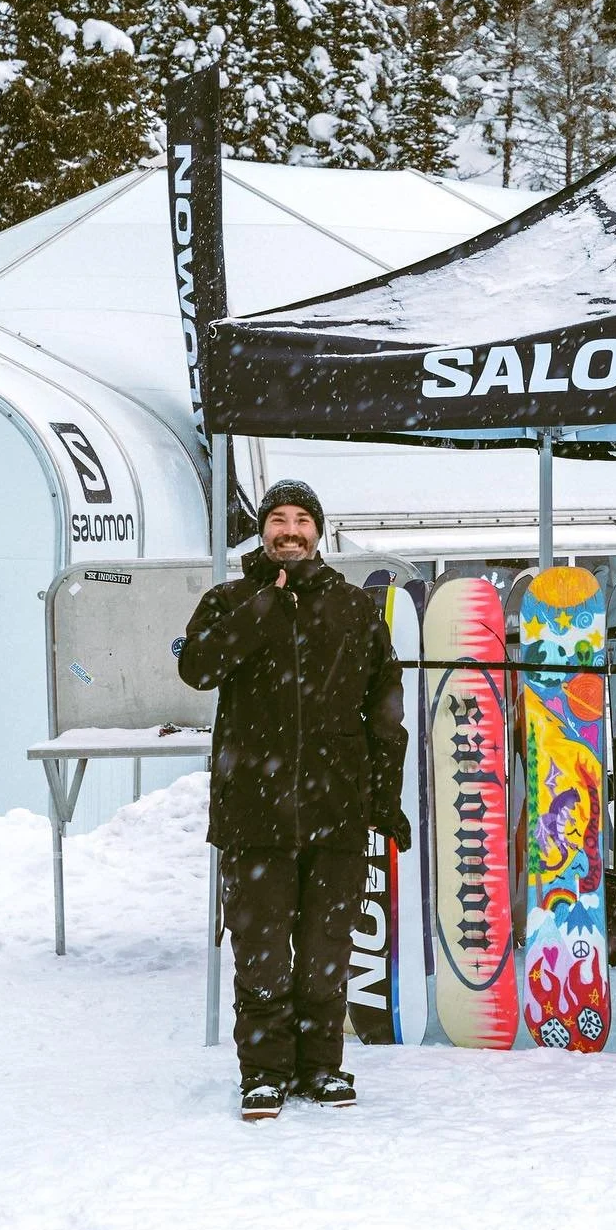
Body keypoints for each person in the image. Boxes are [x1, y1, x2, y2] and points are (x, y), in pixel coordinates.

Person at [177, 480, 409, 1121]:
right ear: (262, 530)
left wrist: (383, 801)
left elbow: (384, 713)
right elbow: (196, 670)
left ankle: (321, 1065)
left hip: (335, 810)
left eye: (301, 519)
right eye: (277, 519)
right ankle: (264, 1072)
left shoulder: (354, 610)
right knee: (260, 952)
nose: (289, 530)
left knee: (326, 949)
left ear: (318, 531)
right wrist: (264, 610)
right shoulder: (228, 600)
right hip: (254, 811)